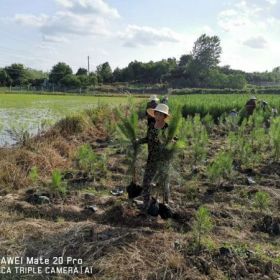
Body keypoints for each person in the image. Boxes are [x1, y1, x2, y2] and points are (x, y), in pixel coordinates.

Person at [136, 103, 171, 209]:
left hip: (162, 160)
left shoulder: (167, 128)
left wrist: (171, 142)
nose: (158, 117)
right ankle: (146, 203)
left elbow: (172, 141)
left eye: (161, 115)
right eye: (157, 114)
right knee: (146, 181)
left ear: (165, 117)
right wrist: (138, 141)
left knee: (163, 182)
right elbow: (147, 138)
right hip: (151, 159)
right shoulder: (151, 126)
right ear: (154, 114)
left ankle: (165, 204)